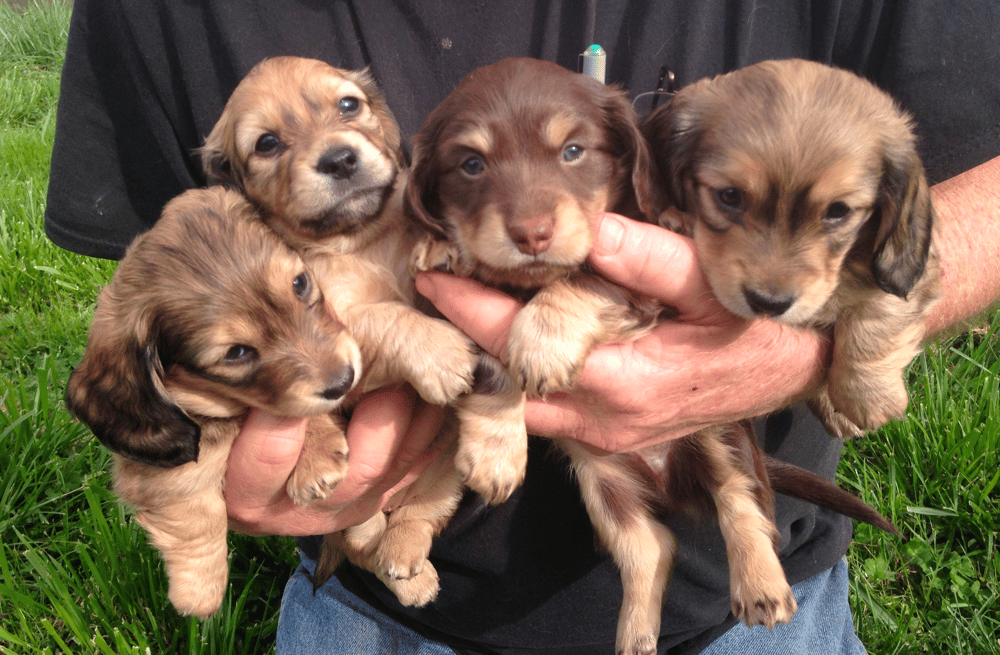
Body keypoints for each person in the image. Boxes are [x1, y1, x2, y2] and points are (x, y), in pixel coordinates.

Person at [46, 1, 1000, 653]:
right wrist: (210, 480)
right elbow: (167, 295)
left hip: (755, 613)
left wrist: (830, 348)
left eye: (345, 110)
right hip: (371, 608)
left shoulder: (687, 158)